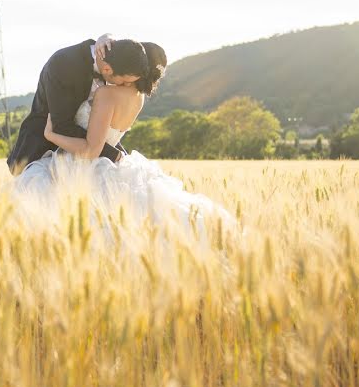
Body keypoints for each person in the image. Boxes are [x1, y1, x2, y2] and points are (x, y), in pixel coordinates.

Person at [16, 40, 236, 240]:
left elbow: (92, 147)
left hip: (86, 163)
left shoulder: (107, 94)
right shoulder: (138, 98)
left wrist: (51, 135)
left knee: (70, 217)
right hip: (114, 163)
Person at [6, 36, 149, 176]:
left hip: (87, 157)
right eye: (124, 81)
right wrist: (110, 152)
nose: (126, 87)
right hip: (45, 150)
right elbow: (61, 125)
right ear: (106, 70)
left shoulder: (112, 54)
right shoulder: (62, 65)